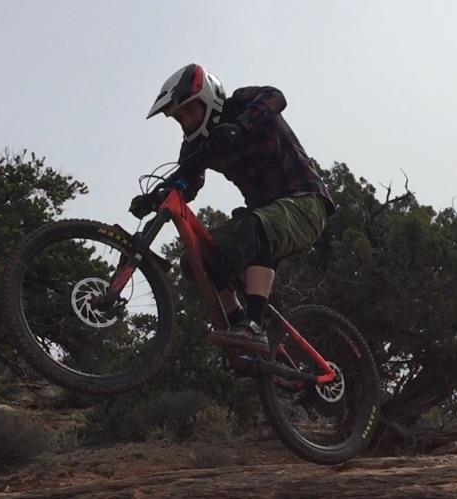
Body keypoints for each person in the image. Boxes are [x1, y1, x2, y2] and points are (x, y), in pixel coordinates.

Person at [130, 64, 333, 355]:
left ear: (208, 98)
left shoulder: (240, 104)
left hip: (306, 204)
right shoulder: (196, 145)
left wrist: (240, 126)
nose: (185, 121)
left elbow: (275, 96)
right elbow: (187, 181)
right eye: (179, 118)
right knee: (196, 258)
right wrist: (154, 198)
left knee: (251, 224)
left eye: (189, 111)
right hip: (267, 215)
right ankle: (239, 323)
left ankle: (253, 326)